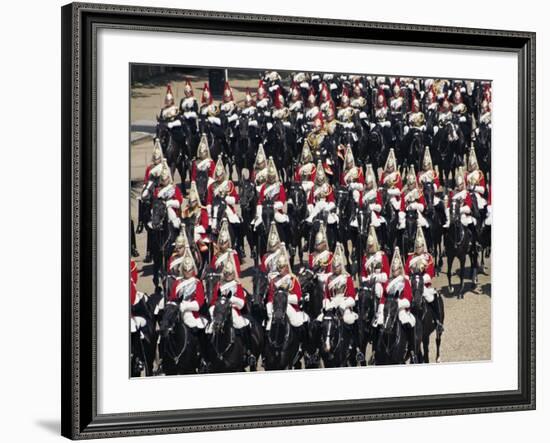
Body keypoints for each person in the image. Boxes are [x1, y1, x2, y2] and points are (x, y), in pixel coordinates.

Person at [207, 258, 255, 366]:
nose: (228, 275)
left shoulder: (237, 285)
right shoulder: (219, 285)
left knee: (242, 324)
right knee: (209, 329)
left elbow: (242, 303)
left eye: (230, 273)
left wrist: (232, 301)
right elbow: (214, 300)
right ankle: (206, 355)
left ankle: (249, 351)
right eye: (226, 273)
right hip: (220, 310)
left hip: (233, 309)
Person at [374, 247, 418, 363]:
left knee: (409, 324)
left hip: (400, 308)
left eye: (396, 269)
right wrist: (381, 309)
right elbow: (383, 297)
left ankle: (412, 351)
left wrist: (398, 303)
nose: (394, 271)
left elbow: (408, 298)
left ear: (400, 269)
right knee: (377, 324)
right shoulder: (388, 281)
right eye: (393, 270)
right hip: (388, 308)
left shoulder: (405, 281)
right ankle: (375, 351)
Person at [404, 226, 444, 331]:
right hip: (412, 284)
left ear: (423, 246)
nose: (418, 249)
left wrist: (421, 280)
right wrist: (409, 280)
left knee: (432, 298)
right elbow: (406, 272)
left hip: (424, 284)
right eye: (416, 247)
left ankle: (438, 320)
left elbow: (430, 273)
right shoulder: (410, 257)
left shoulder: (428, 257)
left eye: (420, 246)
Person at [266, 248, 309, 331]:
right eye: (278, 267)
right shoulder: (273, 280)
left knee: (297, 322)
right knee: (268, 326)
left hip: (291, 307)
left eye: (281, 267)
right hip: (276, 307)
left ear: (286, 267)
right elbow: (270, 297)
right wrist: (270, 306)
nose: (279, 269)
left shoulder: (293, 279)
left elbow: (298, 297)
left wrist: (284, 299)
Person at [320, 242, 358, 327]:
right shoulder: (329, 278)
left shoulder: (347, 278)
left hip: (344, 303)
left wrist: (344, 304)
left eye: (337, 266)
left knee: (348, 320)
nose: (336, 268)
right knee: (322, 320)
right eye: (334, 266)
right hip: (332, 303)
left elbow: (352, 296)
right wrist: (326, 304)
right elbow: (326, 295)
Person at [169, 247, 207, 329]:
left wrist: (186, 306)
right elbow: (173, 298)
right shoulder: (177, 282)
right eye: (185, 270)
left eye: (189, 270)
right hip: (177, 312)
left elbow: (199, 302)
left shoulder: (197, 283)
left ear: (193, 269)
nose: (187, 273)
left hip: (192, 313)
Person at [254, 157, 290, 242]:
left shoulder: (279, 186)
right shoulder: (264, 186)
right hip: (265, 209)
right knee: (256, 225)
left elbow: (283, 200)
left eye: (272, 177)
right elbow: (260, 199)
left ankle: (286, 242)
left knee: (285, 222)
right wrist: (260, 208)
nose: (271, 178)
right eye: (269, 177)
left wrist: (275, 205)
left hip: (275, 209)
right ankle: (255, 246)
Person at [181, 181, 210, 263]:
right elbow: (183, 221)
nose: (191, 203)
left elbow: (205, 226)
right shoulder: (186, 210)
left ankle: (201, 259)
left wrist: (195, 229)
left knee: (199, 242)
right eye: (190, 201)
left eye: (193, 201)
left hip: (199, 233)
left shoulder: (202, 210)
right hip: (187, 232)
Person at [360, 226, 390, 300]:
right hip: (368, 282)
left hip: (380, 282)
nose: (370, 247)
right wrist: (365, 279)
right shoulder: (365, 257)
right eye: (369, 246)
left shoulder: (382, 256)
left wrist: (376, 278)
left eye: (371, 246)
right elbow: (363, 273)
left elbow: (387, 275)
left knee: (378, 290)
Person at [306, 159, 337, 226]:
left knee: (332, 222)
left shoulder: (327, 187)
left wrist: (328, 207)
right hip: (316, 206)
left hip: (325, 206)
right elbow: (310, 200)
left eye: (321, 177)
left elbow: (331, 200)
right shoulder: (313, 187)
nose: (320, 179)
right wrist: (310, 206)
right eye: (319, 177)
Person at [155, 160, 184, 233]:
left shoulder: (174, 188)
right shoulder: (158, 189)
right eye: (163, 180)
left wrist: (169, 203)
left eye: (166, 179)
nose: (164, 181)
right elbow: (155, 200)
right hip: (159, 211)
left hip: (172, 211)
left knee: (169, 210)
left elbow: (179, 201)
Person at [398, 165, 428, 230]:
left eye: (412, 184)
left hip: (416, 212)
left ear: (415, 183)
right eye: (409, 184)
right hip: (407, 212)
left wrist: (415, 205)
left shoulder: (418, 192)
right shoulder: (404, 193)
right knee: (401, 226)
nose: (411, 186)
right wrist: (402, 214)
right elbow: (402, 206)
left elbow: (423, 206)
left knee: (424, 224)